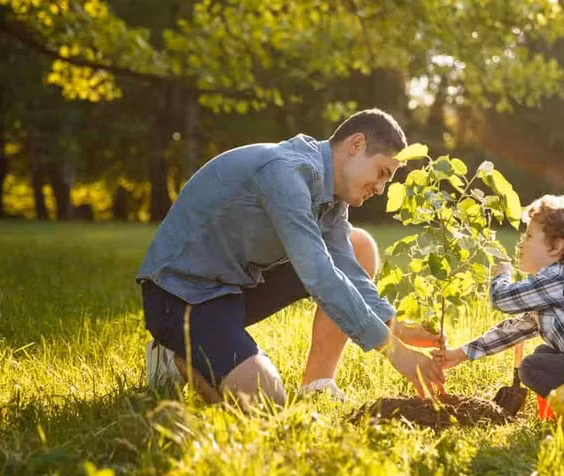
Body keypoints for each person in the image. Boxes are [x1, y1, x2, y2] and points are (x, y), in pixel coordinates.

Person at [138, 108, 445, 406]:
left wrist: (395, 327)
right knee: (266, 401)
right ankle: (174, 356)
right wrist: (395, 352)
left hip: (231, 290)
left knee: (358, 246)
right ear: (356, 144)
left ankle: (318, 385)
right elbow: (319, 275)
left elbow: (348, 269)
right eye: (381, 173)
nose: (380, 188)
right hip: (180, 296)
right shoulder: (285, 173)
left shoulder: (333, 199)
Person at [433, 194, 564, 415]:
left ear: (556, 247)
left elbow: (502, 299)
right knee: (544, 354)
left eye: (529, 236)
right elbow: (512, 331)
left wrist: (501, 276)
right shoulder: (553, 291)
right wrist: (460, 354)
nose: (521, 243)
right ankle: (554, 416)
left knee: (531, 367)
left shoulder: (558, 278)